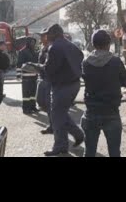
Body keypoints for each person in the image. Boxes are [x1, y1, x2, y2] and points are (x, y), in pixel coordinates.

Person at [81, 30, 126, 157]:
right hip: (111, 112)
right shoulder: (115, 61)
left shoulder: (86, 63)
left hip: (91, 112)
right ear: (108, 44)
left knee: (89, 152)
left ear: (93, 44)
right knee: (114, 152)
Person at [44, 24, 85, 156]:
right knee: (60, 113)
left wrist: (38, 68)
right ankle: (78, 134)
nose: (46, 36)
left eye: (48, 34)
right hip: (74, 84)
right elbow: (80, 58)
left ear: (55, 34)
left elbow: (50, 69)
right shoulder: (71, 45)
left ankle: (61, 146)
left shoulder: (55, 47)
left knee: (56, 116)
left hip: (63, 86)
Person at [17, 36, 39, 114]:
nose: (33, 44)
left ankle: (33, 107)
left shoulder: (35, 51)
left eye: (34, 42)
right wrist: (18, 75)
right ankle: (26, 108)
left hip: (34, 76)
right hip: (26, 77)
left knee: (33, 93)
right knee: (26, 94)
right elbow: (19, 64)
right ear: (28, 42)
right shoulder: (22, 52)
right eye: (31, 42)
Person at [37, 28, 53, 134]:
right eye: (41, 36)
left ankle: (53, 125)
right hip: (42, 78)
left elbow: (49, 65)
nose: (41, 38)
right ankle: (54, 123)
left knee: (48, 104)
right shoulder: (43, 48)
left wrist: (38, 66)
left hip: (49, 80)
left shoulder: (51, 48)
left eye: (43, 36)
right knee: (40, 101)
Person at [0, 41, 10, 106]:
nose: (5, 46)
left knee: (1, 86)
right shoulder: (2, 54)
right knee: (0, 87)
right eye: (4, 45)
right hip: (0, 72)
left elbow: (7, 63)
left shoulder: (3, 54)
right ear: (0, 46)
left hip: (2, 72)